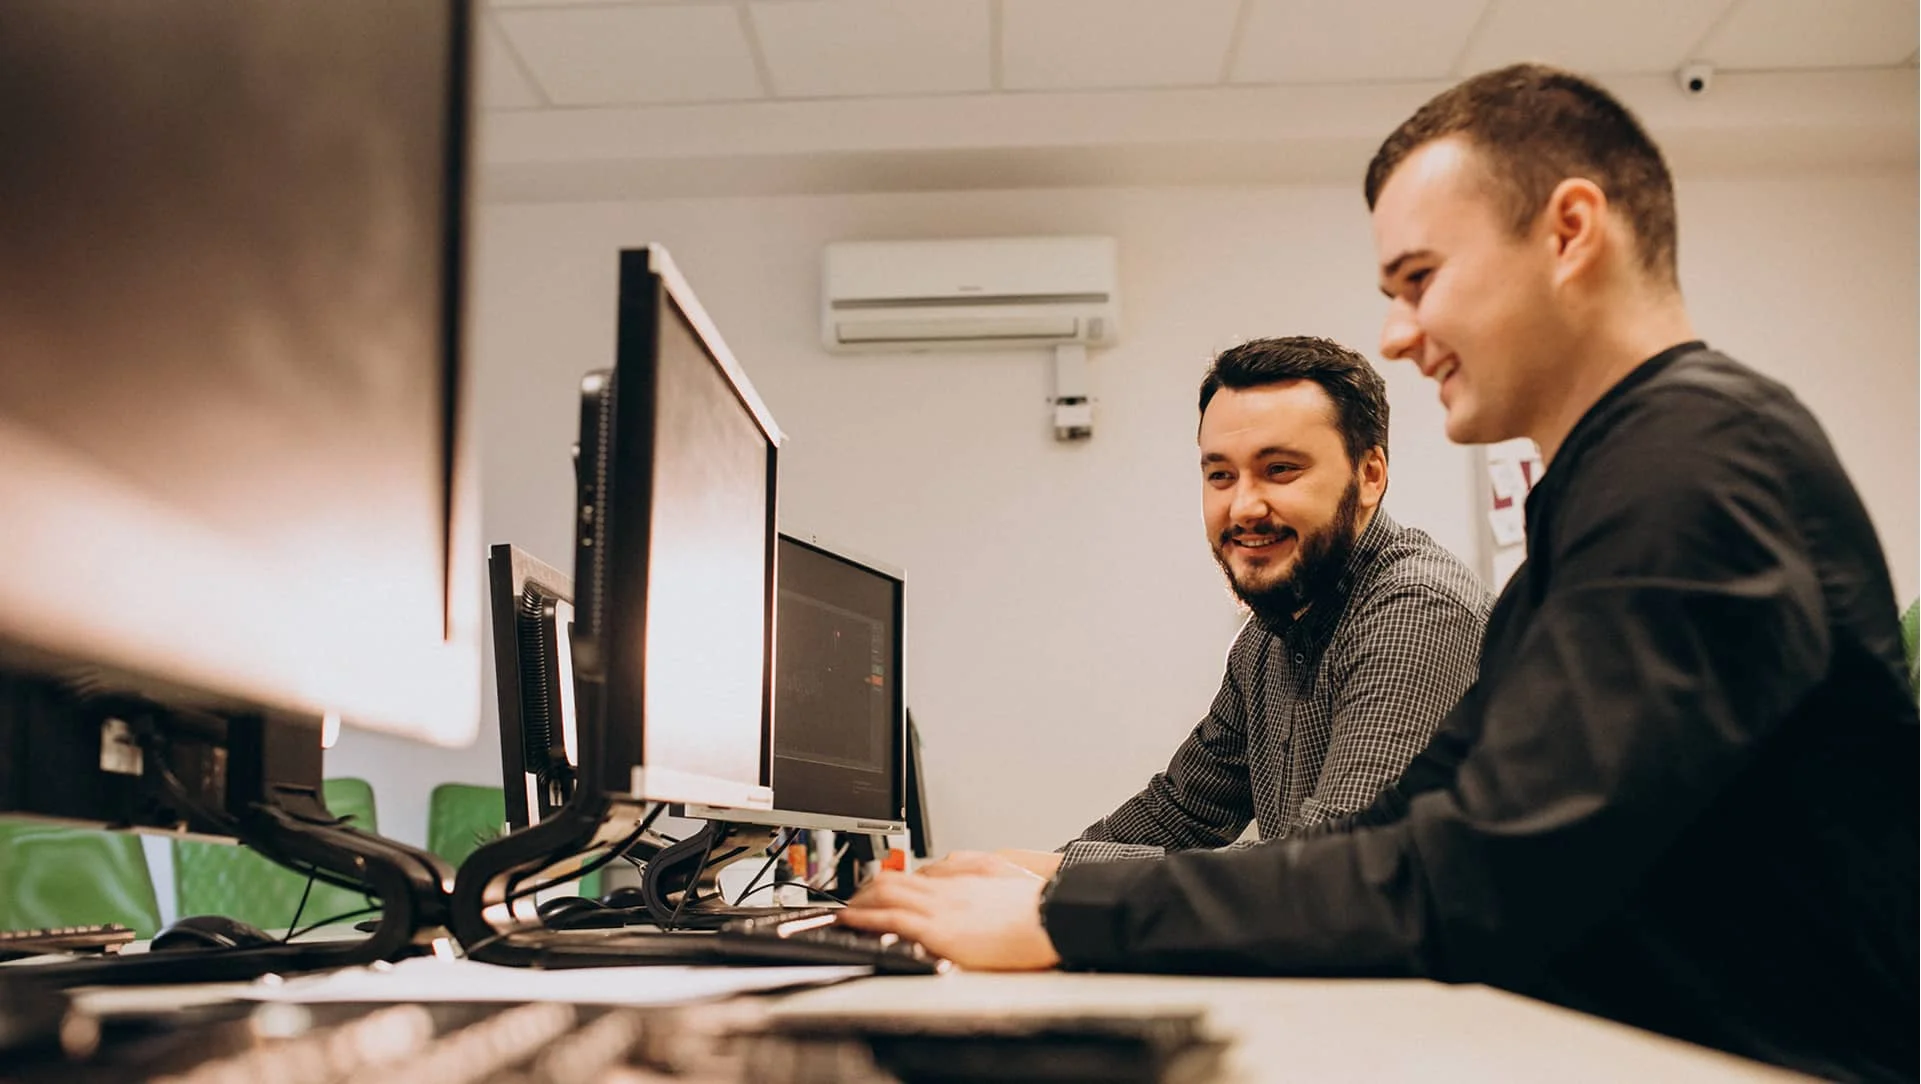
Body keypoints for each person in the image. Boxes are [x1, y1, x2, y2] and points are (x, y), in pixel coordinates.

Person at [840, 63, 1919, 1083]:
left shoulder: (1690, 472)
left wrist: (1061, 915)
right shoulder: (1610, 488)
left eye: (1419, 280)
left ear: (1569, 233)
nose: (1398, 336)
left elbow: (1466, 879)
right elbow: (1389, 839)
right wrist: (1046, 886)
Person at [988, 336, 1489, 881]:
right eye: (1221, 475)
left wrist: (1058, 877)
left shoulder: (1418, 610)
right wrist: (1022, 876)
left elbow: (1332, 867)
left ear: (1370, 475)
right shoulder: (1269, 634)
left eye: (1280, 469)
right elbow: (1182, 810)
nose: (1243, 507)